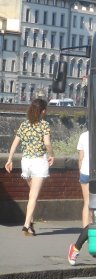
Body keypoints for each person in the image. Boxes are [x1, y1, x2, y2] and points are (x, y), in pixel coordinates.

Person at [4, 98, 55, 236]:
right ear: (43, 111)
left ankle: (31, 224)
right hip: (39, 162)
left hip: (26, 162)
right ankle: (26, 225)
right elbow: (47, 143)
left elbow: (15, 143)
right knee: (33, 196)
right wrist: (52, 155)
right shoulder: (44, 125)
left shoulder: (24, 124)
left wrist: (9, 159)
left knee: (32, 193)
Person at [68, 130, 96, 265]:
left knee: (87, 203)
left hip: (85, 172)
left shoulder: (83, 135)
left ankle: (85, 232)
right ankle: (82, 239)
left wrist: (81, 172)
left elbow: (81, 158)